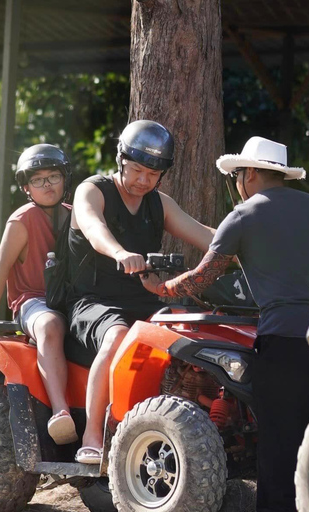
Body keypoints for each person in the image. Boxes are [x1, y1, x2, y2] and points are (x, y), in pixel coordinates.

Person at [140, 136, 309, 511]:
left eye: (237, 175)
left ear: (249, 173)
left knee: (279, 444)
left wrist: (164, 287)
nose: (236, 183)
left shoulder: (243, 215)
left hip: (283, 340)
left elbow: (205, 276)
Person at [68, 120, 215, 464]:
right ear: (121, 161)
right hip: (92, 301)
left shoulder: (158, 203)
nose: (143, 180)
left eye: (152, 174)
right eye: (136, 170)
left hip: (146, 301)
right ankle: (92, 436)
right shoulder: (92, 190)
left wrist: (245, 241)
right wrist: (119, 252)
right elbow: (93, 227)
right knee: (118, 336)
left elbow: (207, 236)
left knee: (194, 331)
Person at [0, 144, 77, 445]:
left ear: (65, 179)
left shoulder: (77, 215)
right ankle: (60, 412)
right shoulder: (22, 220)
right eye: (38, 179)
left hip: (72, 300)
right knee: (49, 325)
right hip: (33, 300)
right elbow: (0, 268)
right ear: (27, 187)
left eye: (54, 176)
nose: (47, 185)